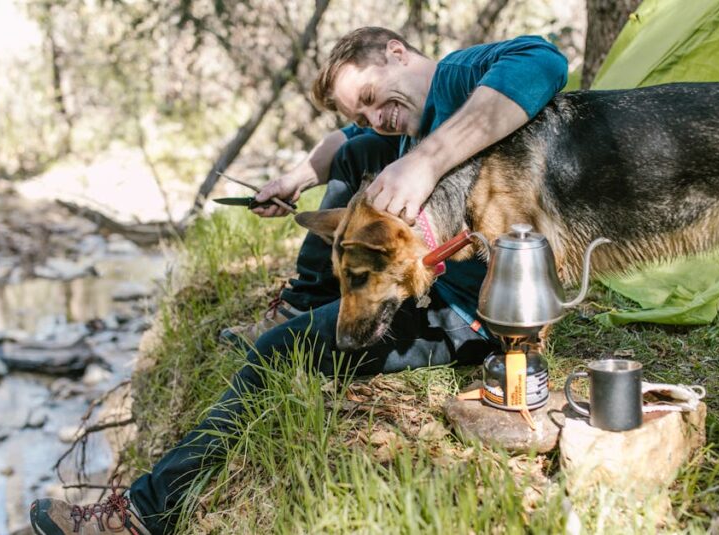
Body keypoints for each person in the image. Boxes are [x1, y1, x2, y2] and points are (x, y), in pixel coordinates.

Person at [30, 27, 567, 535]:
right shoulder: (400, 130)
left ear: (398, 53)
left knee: (275, 352)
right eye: (366, 111)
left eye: (376, 97)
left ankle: (144, 514)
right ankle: (301, 302)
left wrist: (425, 162)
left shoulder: (455, 77)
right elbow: (351, 137)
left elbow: (541, 60)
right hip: (438, 289)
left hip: (470, 313)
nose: (378, 118)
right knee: (356, 157)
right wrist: (295, 179)